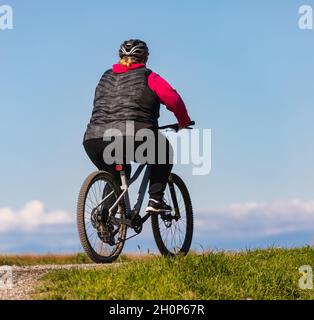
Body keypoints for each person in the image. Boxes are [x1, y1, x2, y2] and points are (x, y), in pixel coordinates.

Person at [83, 39, 191, 212]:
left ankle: (105, 216)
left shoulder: (105, 78)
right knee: (164, 151)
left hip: (93, 139)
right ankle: (156, 200)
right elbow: (174, 100)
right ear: (145, 58)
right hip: (133, 136)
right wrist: (183, 122)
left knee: (115, 175)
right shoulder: (149, 77)